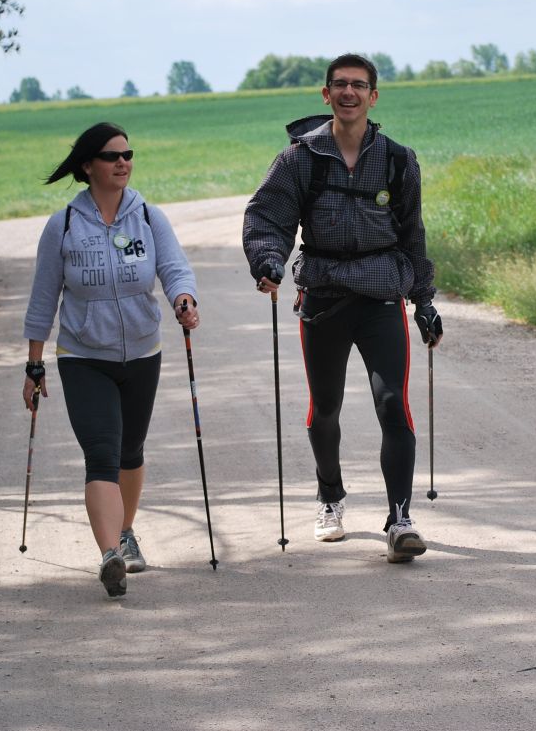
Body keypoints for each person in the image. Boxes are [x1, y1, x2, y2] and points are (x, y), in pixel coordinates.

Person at [243, 53, 441, 564]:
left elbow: (412, 234)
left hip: (380, 297)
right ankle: (329, 496)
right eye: (339, 85)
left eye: (359, 85)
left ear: (374, 97)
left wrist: (424, 302)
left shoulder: (398, 159)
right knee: (324, 409)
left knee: (392, 404)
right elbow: (269, 217)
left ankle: (400, 518)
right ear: (325, 95)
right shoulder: (300, 160)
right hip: (324, 299)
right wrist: (268, 261)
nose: (349, 93)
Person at [22, 122, 199, 598]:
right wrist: (34, 363)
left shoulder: (148, 217)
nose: (123, 162)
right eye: (111, 156)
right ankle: (110, 555)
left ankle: (124, 532)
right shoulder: (62, 226)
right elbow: (43, 299)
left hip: (143, 351)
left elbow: (174, 267)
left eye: (128, 154)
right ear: (87, 166)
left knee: (129, 452)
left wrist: (184, 298)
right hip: (83, 356)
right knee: (102, 453)